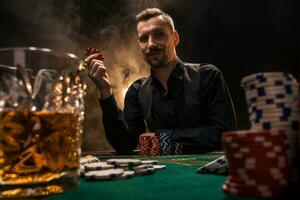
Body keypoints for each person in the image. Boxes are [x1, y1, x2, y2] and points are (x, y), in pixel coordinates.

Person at [85, 8, 236, 155]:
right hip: (160, 176)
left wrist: (163, 137)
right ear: (140, 46)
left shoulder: (208, 75)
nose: (151, 44)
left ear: (175, 38)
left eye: (158, 34)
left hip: (205, 175)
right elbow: (124, 145)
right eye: (144, 39)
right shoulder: (137, 90)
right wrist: (105, 91)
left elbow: (224, 134)